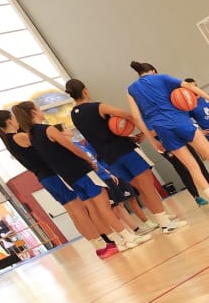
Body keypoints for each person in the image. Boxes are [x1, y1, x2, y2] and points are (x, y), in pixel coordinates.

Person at [12, 101, 150, 252]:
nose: (41, 110)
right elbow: (72, 148)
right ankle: (129, 238)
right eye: (38, 108)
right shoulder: (48, 129)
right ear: (33, 113)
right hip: (82, 171)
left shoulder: (31, 136)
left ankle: (117, 242)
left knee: (93, 210)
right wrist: (89, 161)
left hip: (68, 177)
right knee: (105, 207)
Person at [126, 61, 209, 213]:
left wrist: (152, 140)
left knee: (192, 167)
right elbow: (190, 86)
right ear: (153, 70)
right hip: (181, 121)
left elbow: (137, 118)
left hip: (162, 130)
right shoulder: (161, 78)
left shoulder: (131, 89)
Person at [0, 109, 117, 259]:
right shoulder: (20, 136)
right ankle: (103, 243)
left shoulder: (9, 142)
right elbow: (44, 144)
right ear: (9, 121)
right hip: (52, 175)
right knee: (79, 210)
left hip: (45, 178)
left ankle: (98, 246)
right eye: (13, 117)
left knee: (73, 212)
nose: (16, 119)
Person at [66, 79, 184, 232]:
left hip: (111, 160)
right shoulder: (98, 107)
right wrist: (141, 132)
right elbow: (128, 115)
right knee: (148, 189)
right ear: (85, 91)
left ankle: (164, 221)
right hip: (126, 151)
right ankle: (166, 224)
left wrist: (125, 135)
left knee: (142, 191)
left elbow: (99, 134)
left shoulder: (74, 116)